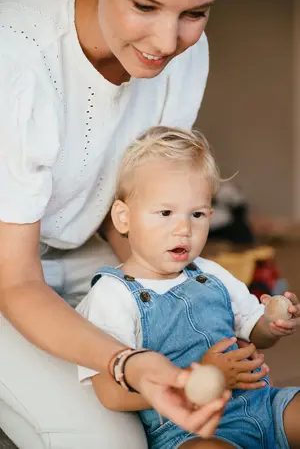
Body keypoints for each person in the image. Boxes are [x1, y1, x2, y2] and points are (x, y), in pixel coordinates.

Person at [0, 0, 267, 447]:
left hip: (82, 245)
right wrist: (128, 362)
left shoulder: (184, 54)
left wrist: (196, 315)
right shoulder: (18, 56)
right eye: (145, 5)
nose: (166, 42)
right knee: (115, 440)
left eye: (195, 14)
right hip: (10, 271)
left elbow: (136, 201)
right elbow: (17, 281)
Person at [77, 126, 300, 449]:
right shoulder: (112, 296)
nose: (183, 228)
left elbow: (256, 331)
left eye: (197, 214)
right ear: (124, 218)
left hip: (262, 406)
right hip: (190, 431)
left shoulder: (212, 274)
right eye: (165, 213)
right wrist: (200, 379)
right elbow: (111, 395)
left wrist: (273, 323)